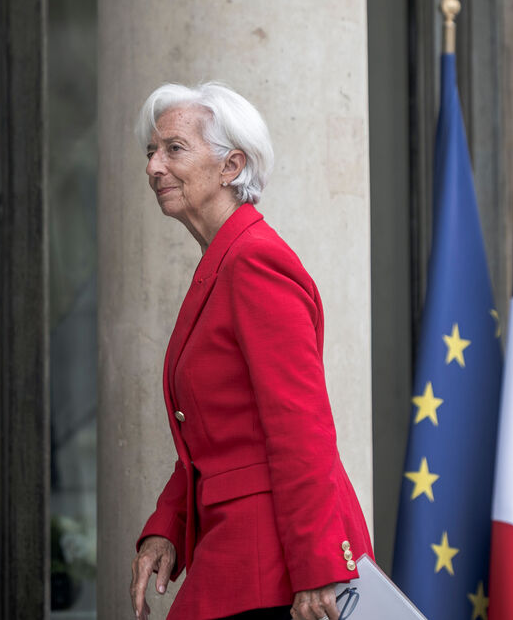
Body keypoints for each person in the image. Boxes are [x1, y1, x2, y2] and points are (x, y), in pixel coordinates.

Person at [128, 82, 372, 620]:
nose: (153, 167)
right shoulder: (223, 261)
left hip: (273, 563)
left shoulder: (254, 262)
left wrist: (316, 567)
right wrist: (168, 526)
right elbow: (216, 436)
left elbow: (301, 427)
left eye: (173, 148)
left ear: (231, 166)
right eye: (151, 151)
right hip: (238, 547)